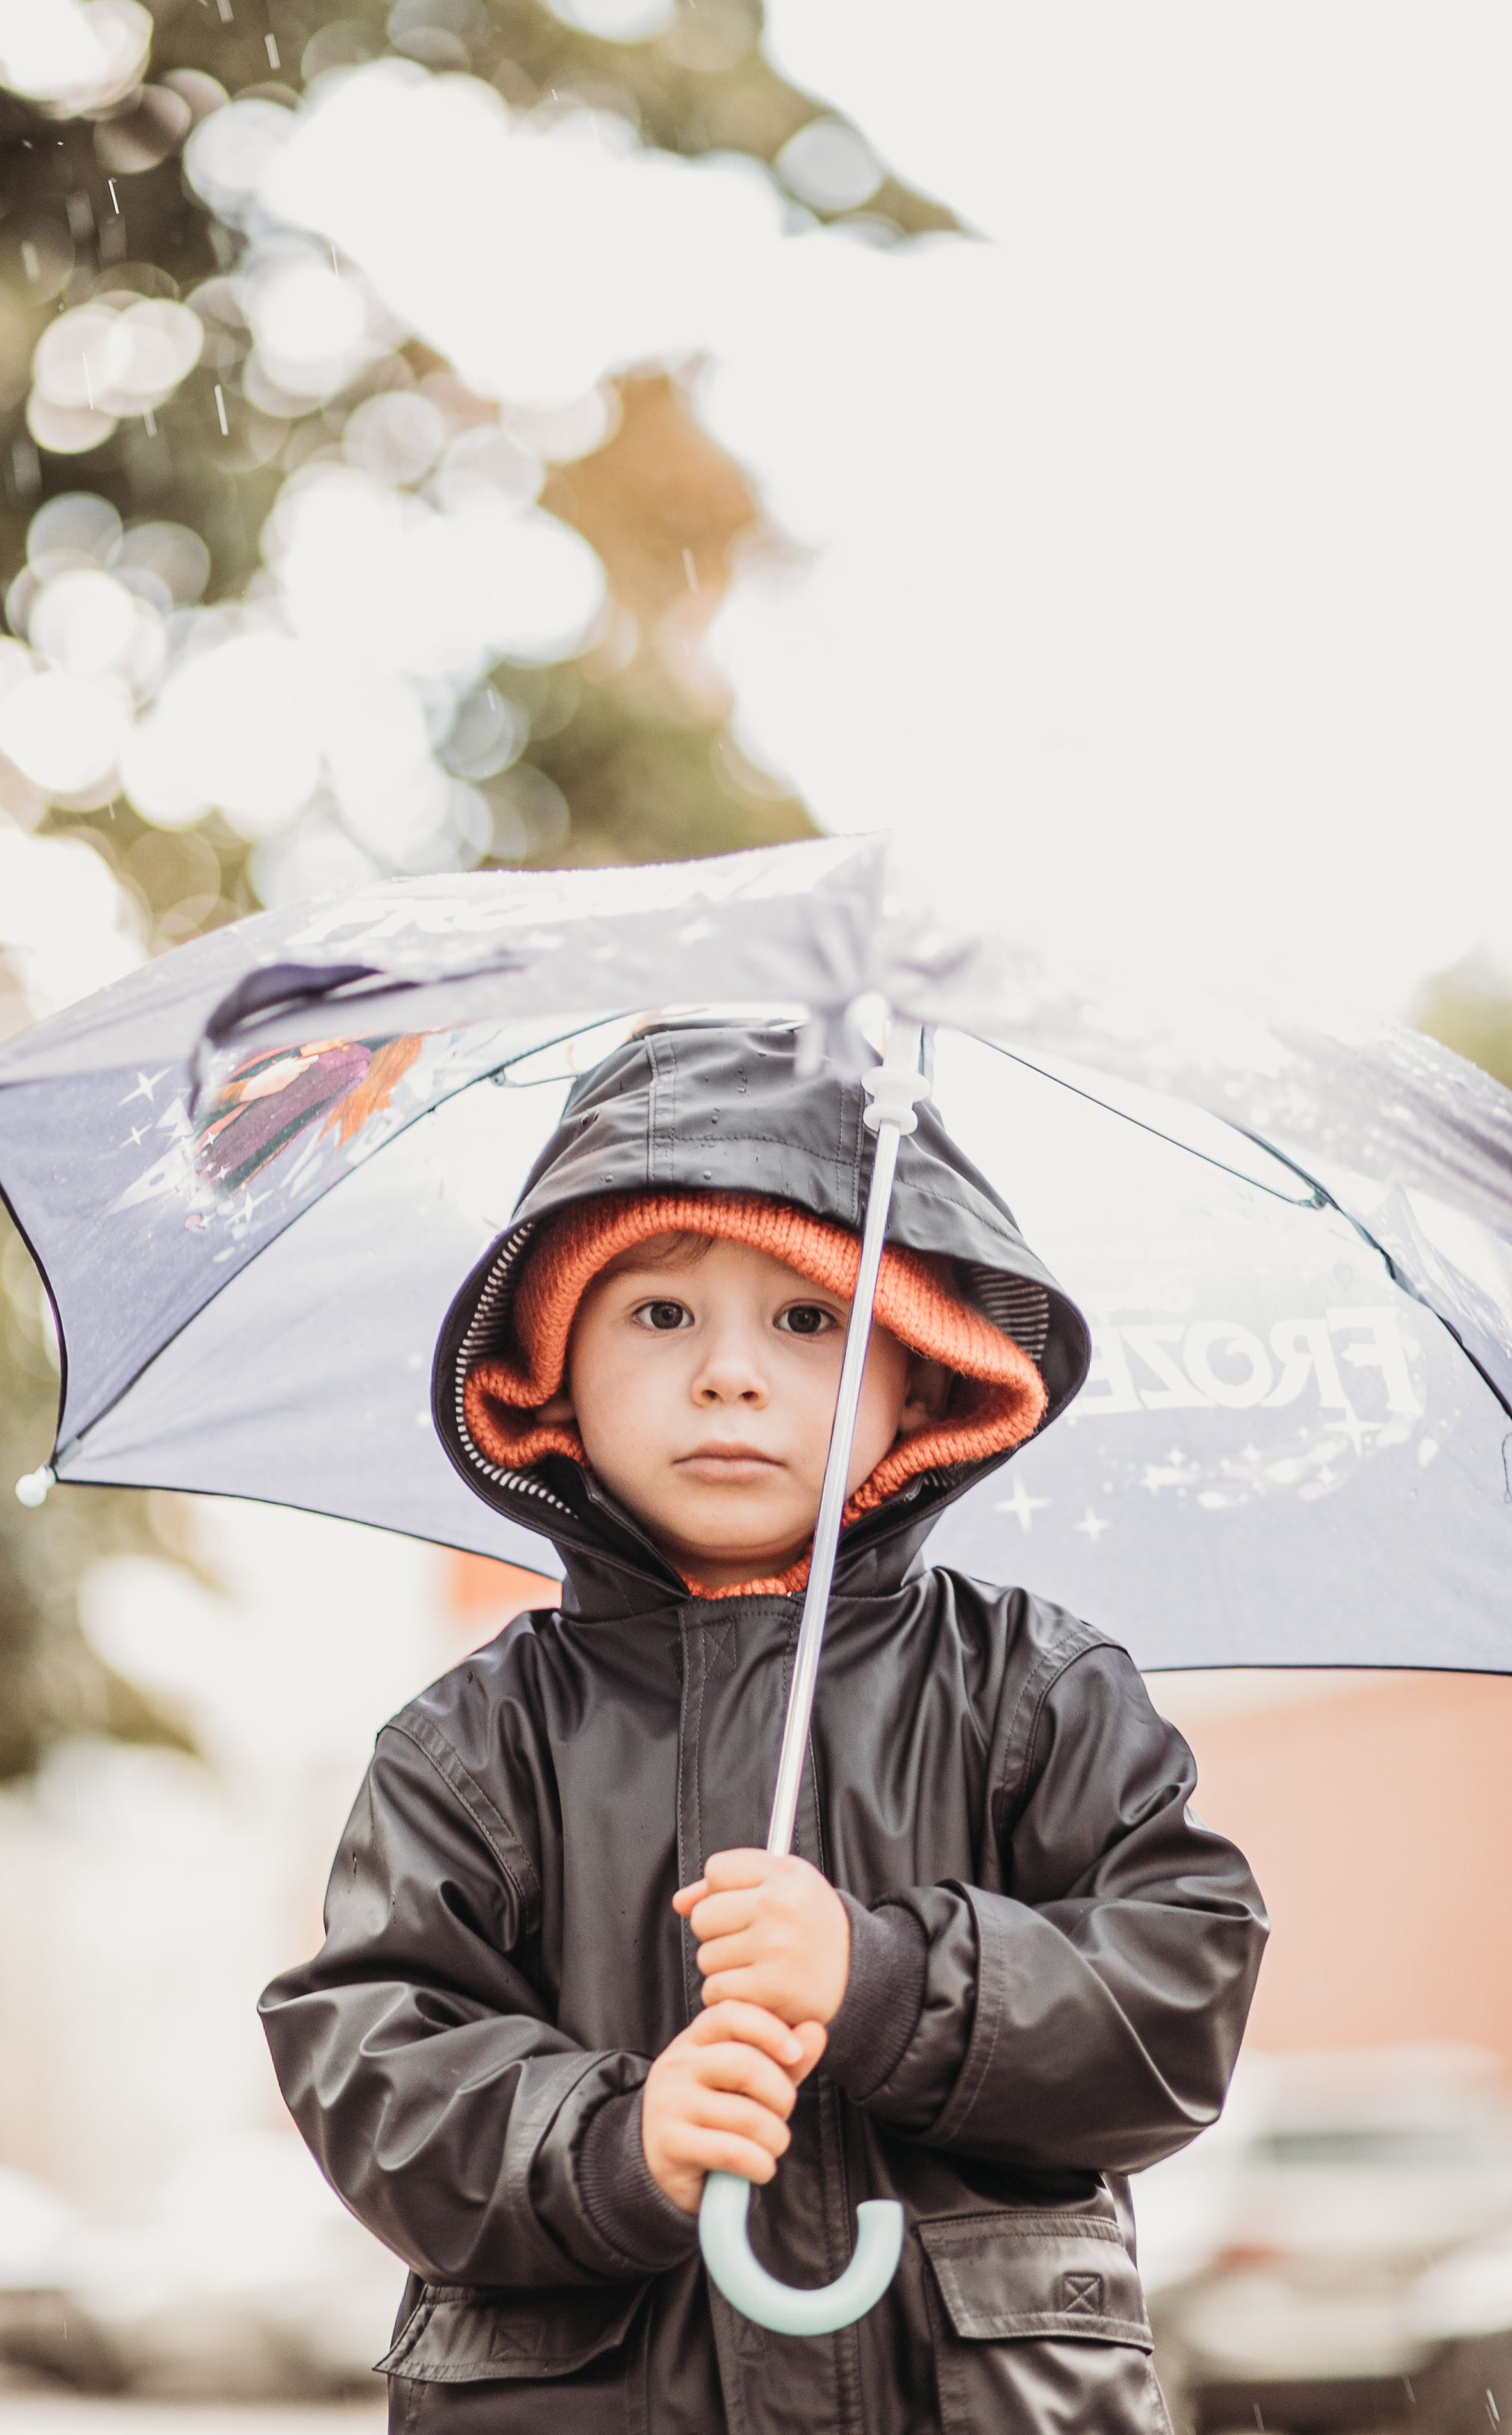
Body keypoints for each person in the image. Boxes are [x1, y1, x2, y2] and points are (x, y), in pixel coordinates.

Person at [261, 1023, 1266, 2432]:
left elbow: (1176, 2000)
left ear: (923, 1376)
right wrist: (611, 2148)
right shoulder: (473, 1745)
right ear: (547, 1371)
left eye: (808, 1321)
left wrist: (889, 1983)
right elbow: (377, 2064)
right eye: (660, 1315)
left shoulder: (1035, 1690)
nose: (730, 1373)